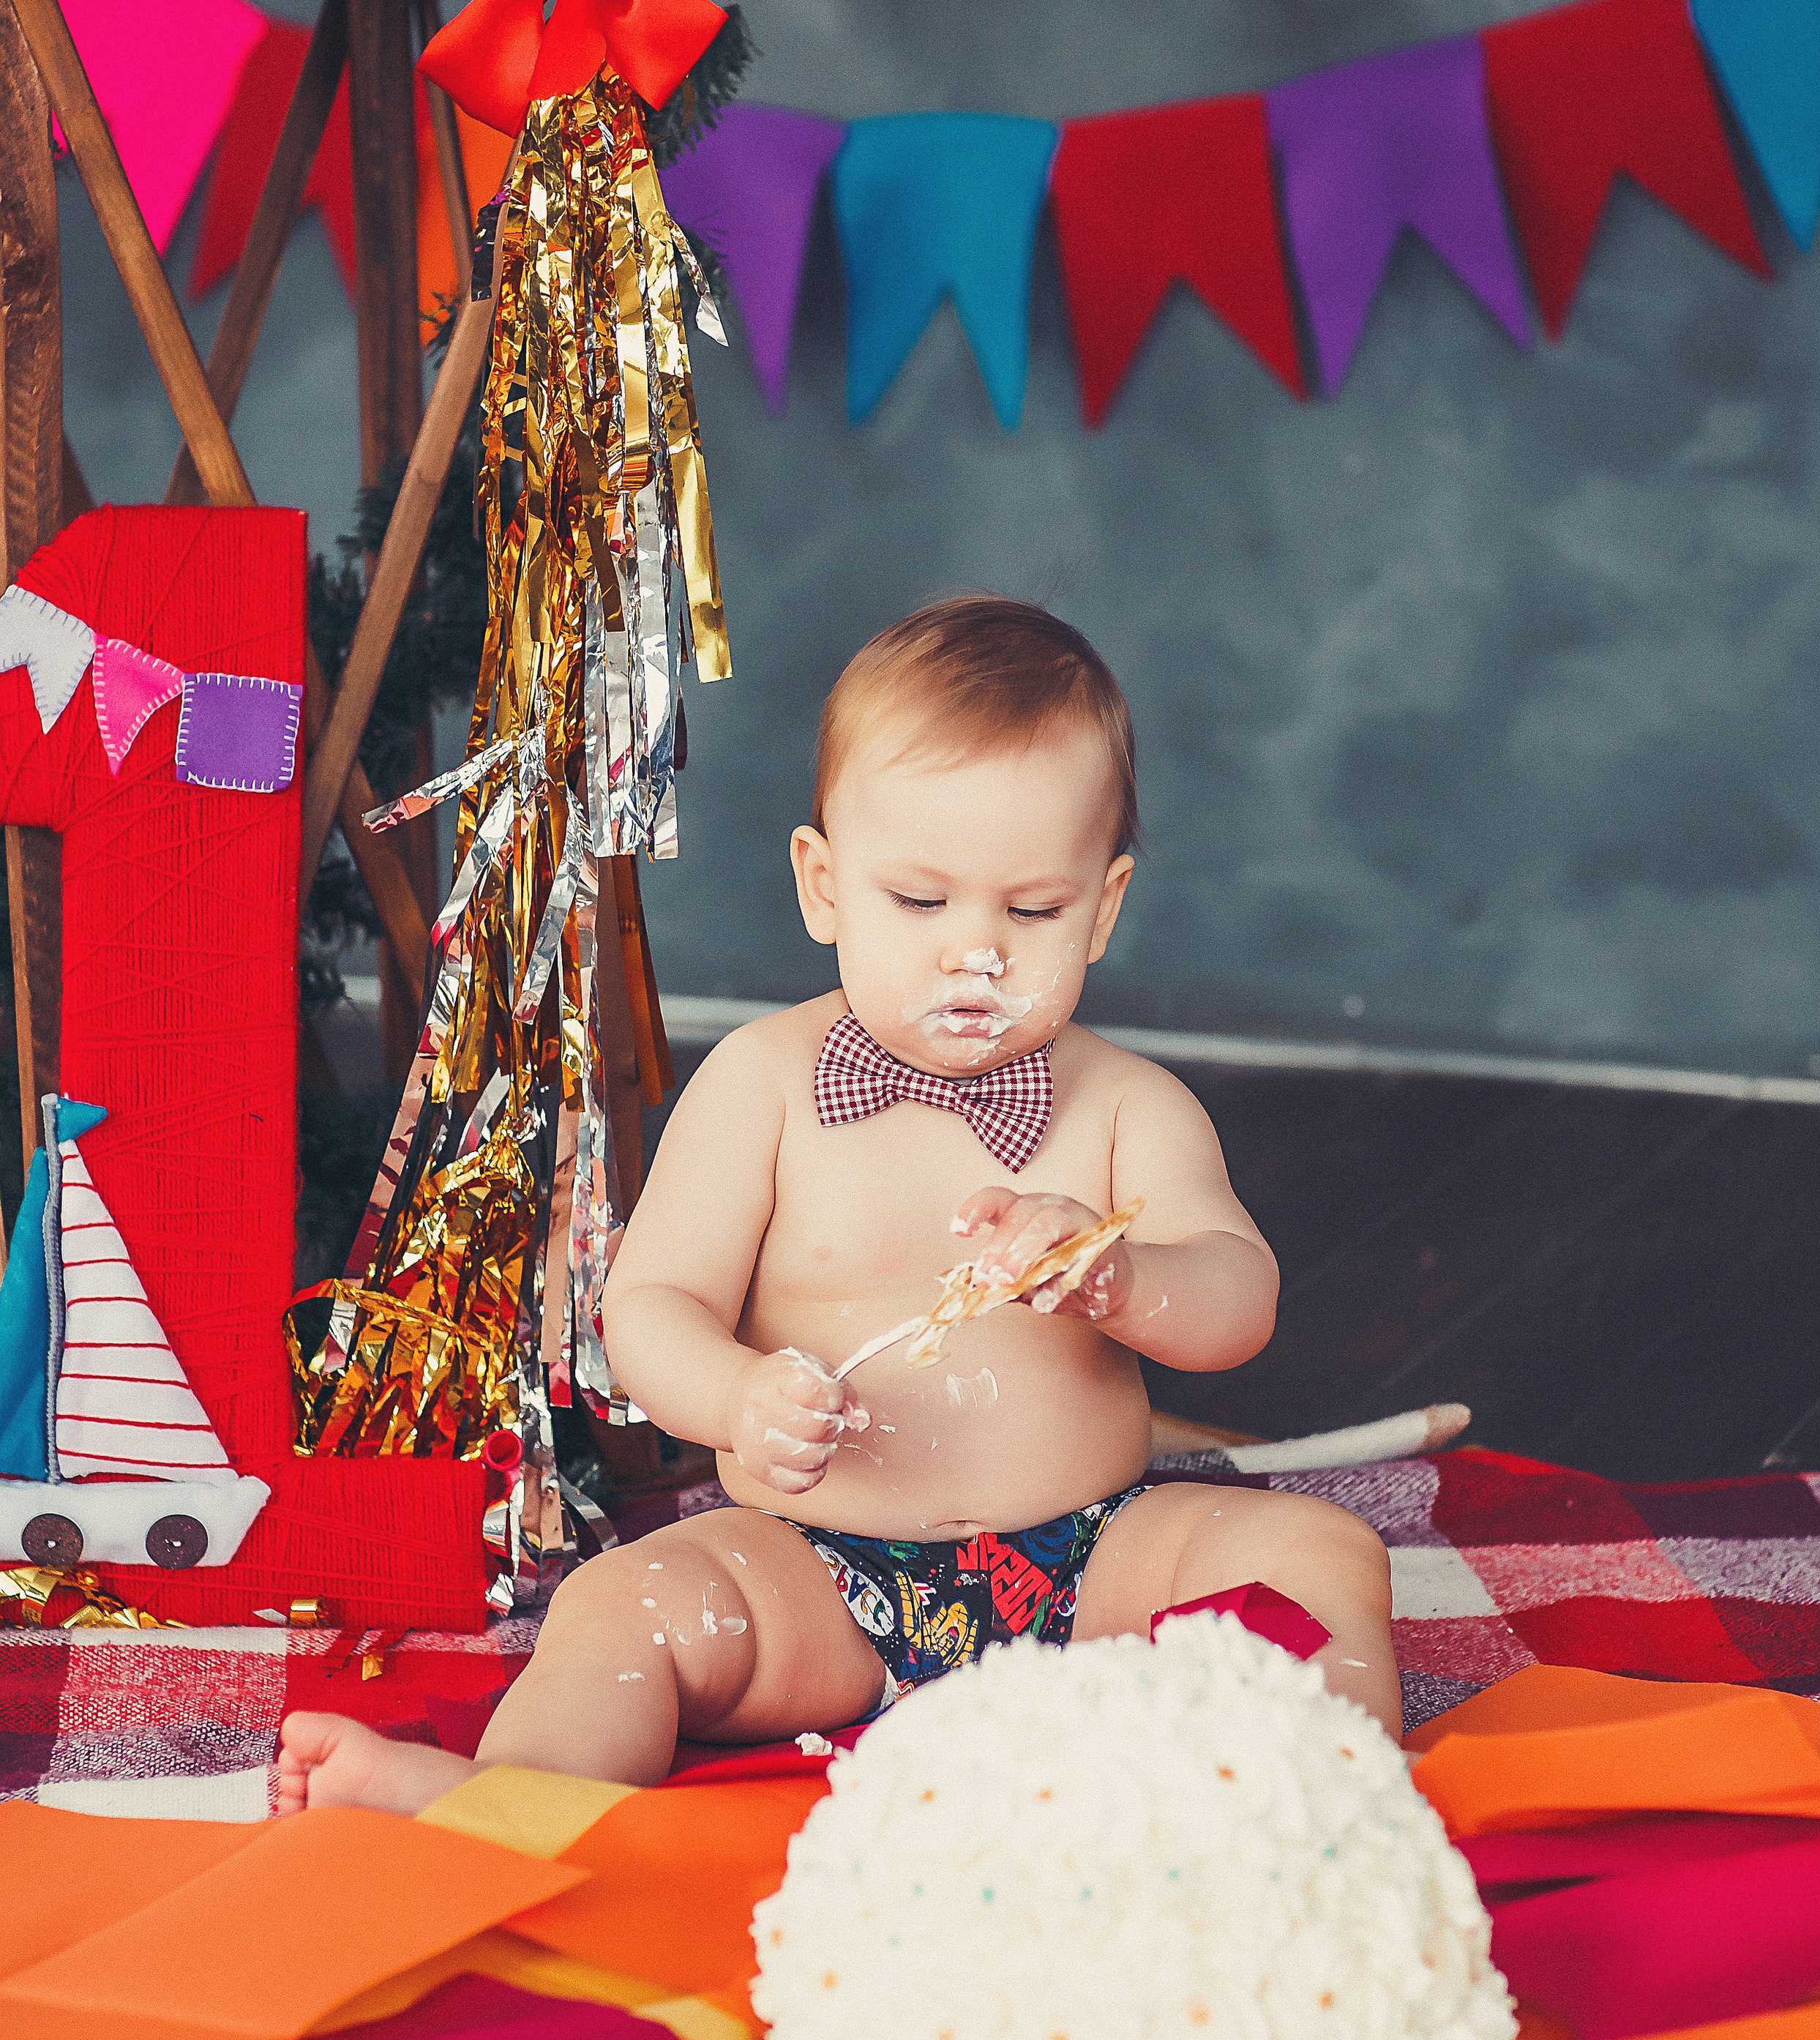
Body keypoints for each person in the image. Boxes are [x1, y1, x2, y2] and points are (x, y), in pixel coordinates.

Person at [279, 596, 1405, 1816]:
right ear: (824, 886)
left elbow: (1240, 1299)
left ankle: (1324, 1795)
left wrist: (1126, 1282)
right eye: (920, 903)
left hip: (1094, 1556)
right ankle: (514, 1802)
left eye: (1032, 912)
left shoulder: (1131, 1106)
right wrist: (732, 1397)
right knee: (621, 1604)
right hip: (818, 1573)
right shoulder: (759, 1086)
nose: (975, 952)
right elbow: (649, 1308)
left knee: (1317, 1554)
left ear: (1104, 905)